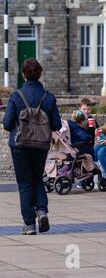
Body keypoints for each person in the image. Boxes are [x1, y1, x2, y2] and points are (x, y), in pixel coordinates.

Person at [2, 58, 62, 235]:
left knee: (24, 182)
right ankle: (42, 211)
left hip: (20, 145)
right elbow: (57, 125)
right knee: (37, 178)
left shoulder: (16, 96)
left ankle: (29, 224)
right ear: (40, 74)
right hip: (41, 145)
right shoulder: (48, 98)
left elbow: (6, 124)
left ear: (23, 75)